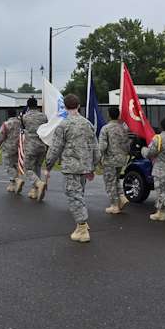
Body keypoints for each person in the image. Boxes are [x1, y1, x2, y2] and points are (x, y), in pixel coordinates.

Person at [43, 94, 99, 243]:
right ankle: (82, 224)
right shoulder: (88, 124)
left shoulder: (63, 125)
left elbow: (55, 149)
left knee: (74, 197)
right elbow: (95, 148)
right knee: (79, 195)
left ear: (65, 107)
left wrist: (48, 166)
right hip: (84, 167)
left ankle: (82, 229)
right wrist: (93, 167)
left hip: (71, 168)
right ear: (78, 106)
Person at [98, 106, 132, 214]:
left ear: (108, 115)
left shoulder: (105, 128)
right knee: (116, 180)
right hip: (121, 159)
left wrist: (98, 158)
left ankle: (114, 206)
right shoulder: (124, 128)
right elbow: (127, 146)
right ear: (118, 115)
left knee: (110, 182)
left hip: (110, 160)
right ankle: (121, 197)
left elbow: (102, 146)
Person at [21, 97, 48, 201]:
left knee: (28, 168)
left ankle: (38, 183)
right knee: (37, 167)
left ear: (28, 106)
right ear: (37, 105)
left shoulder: (25, 117)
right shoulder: (44, 116)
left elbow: (22, 128)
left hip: (31, 146)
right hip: (42, 146)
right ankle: (35, 190)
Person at [0, 109, 24, 193]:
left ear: (8, 115)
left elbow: (1, 136)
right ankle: (13, 184)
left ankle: (17, 179)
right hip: (19, 147)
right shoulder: (20, 123)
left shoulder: (6, 124)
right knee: (15, 165)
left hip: (8, 148)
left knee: (8, 166)